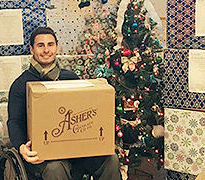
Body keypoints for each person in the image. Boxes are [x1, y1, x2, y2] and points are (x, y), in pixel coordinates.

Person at [7, 27, 122, 180]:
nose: (46, 50)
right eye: (40, 45)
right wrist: (22, 147)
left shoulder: (70, 77)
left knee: (111, 160)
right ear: (32, 49)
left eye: (50, 44)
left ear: (57, 48)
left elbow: (86, 106)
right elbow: (14, 121)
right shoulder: (21, 84)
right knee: (55, 168)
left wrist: (97, 86)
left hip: (76, 151)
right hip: (43, 156)